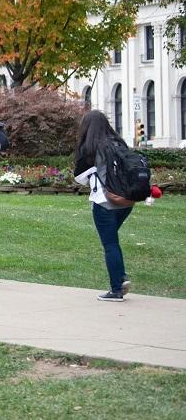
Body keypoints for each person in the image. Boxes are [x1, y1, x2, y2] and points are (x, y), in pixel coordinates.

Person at [74, 110, 135, 302]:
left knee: (110, 244)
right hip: (125, 201)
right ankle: (121, 276)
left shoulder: (90, 149)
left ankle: (117, 289)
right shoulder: (119, 143)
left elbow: (80, 178)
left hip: (104, 202)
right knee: (112, 241)